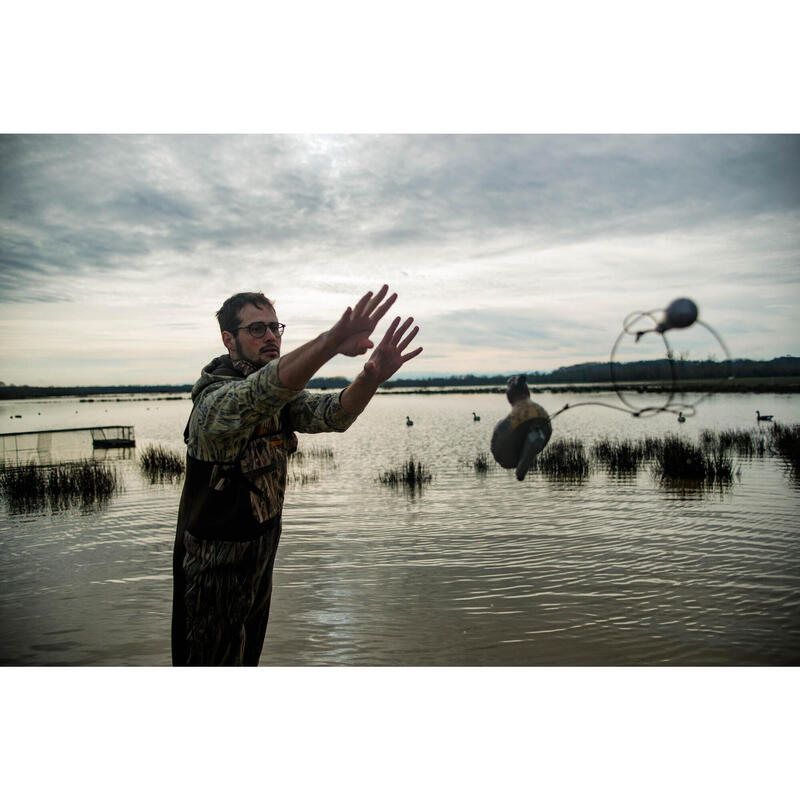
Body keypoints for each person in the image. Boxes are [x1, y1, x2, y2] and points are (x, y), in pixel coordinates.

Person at [171, 284, 422, 666]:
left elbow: (332, 415)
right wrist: (331, 341)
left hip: (260, 559)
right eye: (257, 329)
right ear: (228, 339)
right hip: (212, 573)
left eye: (275, 327)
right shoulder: (215, 404)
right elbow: (260, 392)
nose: (270, 336)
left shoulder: (278, 397)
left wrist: (371, 377)